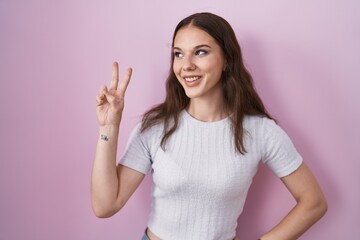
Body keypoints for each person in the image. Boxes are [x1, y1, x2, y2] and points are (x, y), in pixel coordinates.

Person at [91, 12, 327, 240]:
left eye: (200, 52)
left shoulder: (260, 131)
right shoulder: (154, 127)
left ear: (227, 60)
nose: (186, 65)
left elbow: (314, 202)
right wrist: (108, 127)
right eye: (178, 54)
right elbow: (105, 205)